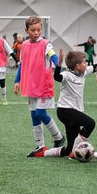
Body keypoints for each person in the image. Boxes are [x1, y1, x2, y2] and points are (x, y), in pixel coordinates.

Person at [28, 36, 97, 158]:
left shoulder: (83, 72)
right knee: (90, 124)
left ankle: (44, 152)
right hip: (65, 110)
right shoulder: (66, 75)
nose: (86, 63)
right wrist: (59, 65)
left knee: (68, 149)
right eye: (84, 62)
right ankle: (76, 151)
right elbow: (57, 78)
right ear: (77, 65)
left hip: (74, 111)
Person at [13, 16, 65, 154]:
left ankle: (58, 136)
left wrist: (58, 63)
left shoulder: (46, 44)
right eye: (33, 30)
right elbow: (22, 64)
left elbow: (53, 56)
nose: (36, 32)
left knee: (40, 113)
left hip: (43, 86)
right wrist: (17, 81)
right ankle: (40, 145)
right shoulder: (24, 45)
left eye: (38, 30)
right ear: (26, 30)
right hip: (30, 86)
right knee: (34, 115)